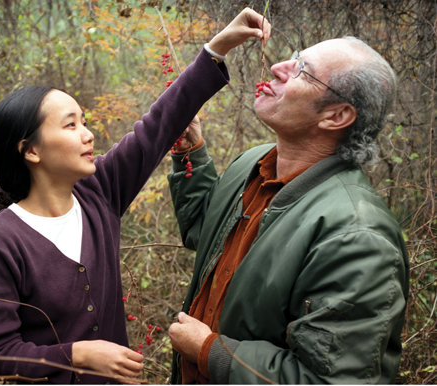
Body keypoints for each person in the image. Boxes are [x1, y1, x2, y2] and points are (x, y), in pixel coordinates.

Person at [0, 8, 269, 384]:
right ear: (31, 151)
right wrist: (78, 355)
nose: (88, 134)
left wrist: (219, 46)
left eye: (85, 121)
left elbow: (157, 126)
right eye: (71, 125)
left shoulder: (99, 193)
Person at [164, 34, 407, 384]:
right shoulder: (253, 162)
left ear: (335, 116)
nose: (278, 67)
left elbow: (328, 381)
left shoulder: (358, 236)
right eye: (292, 58)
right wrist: (190, 153)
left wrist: (209, 352)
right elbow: (206, 230)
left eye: (303, 71)